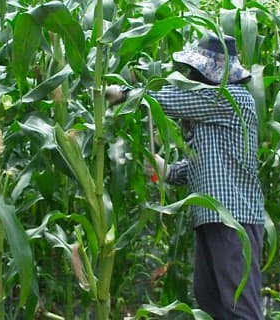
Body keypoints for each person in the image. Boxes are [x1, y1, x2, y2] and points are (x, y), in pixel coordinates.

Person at [106, 32, 265, 319]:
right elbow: (199, 166)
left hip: (233, 220)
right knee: (211, 304)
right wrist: (165, 171)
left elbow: (166, 101)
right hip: (212, 218)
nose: (189, 76)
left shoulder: (231, 99)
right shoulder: (210, 114)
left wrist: (126, 94)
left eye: (194, 72)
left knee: (239, 308)